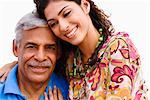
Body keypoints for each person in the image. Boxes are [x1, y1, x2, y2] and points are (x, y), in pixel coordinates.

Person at [0, 0, 148, 99]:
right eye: (54, 23)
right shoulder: (72, 61)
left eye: (66, 13)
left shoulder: (119, 48)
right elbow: (39, 60)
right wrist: (15, 66)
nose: (63, 26)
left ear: (85, 5)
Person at [0, 11, 68, 100]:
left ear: (59, 52)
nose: (40, 57)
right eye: (31, 47)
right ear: (15, 48)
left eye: (49, 48)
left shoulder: (72, 91)